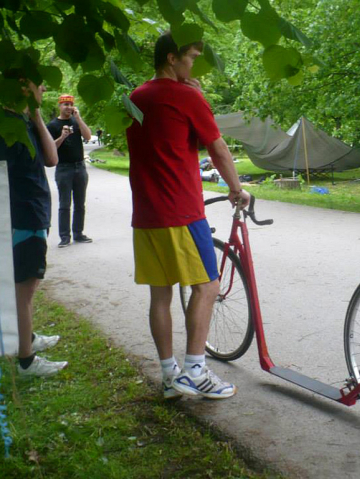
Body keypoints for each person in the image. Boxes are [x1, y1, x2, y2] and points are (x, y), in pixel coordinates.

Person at [126, 32, 251, 400]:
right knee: (208, 287)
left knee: (160, 296)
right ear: (171, 58)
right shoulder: (185, 96)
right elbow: (217, 146)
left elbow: (167, 140)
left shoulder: (134, 97)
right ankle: (195, 370)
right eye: (192, 57)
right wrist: (235, 188)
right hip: (180, 210)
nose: (193, 64)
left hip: (146, 213)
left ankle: (170, 377)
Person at [0, 78, 68, 376]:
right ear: (23, 87)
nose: (44, 90)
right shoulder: (4, 128)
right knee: (24, 289)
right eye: (39, 85)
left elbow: (51, 158)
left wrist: (34, 115)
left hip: (32, 214)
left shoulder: (22, 122)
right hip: (22, 217)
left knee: (26, 284)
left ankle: (27, 337)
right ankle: (26, 360)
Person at [46, 94, 93, 248]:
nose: (68, 107)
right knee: (65, 204)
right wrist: (62, 136)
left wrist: (78, 119)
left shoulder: (76, 121)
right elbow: (49, 148)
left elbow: (87, 135)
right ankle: (65, 236)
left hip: (80, 167)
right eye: (65, 104)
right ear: (59, 106)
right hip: (64, 168)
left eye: (70, 104)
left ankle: (78, 233)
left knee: (80, 203)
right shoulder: (52, 125)